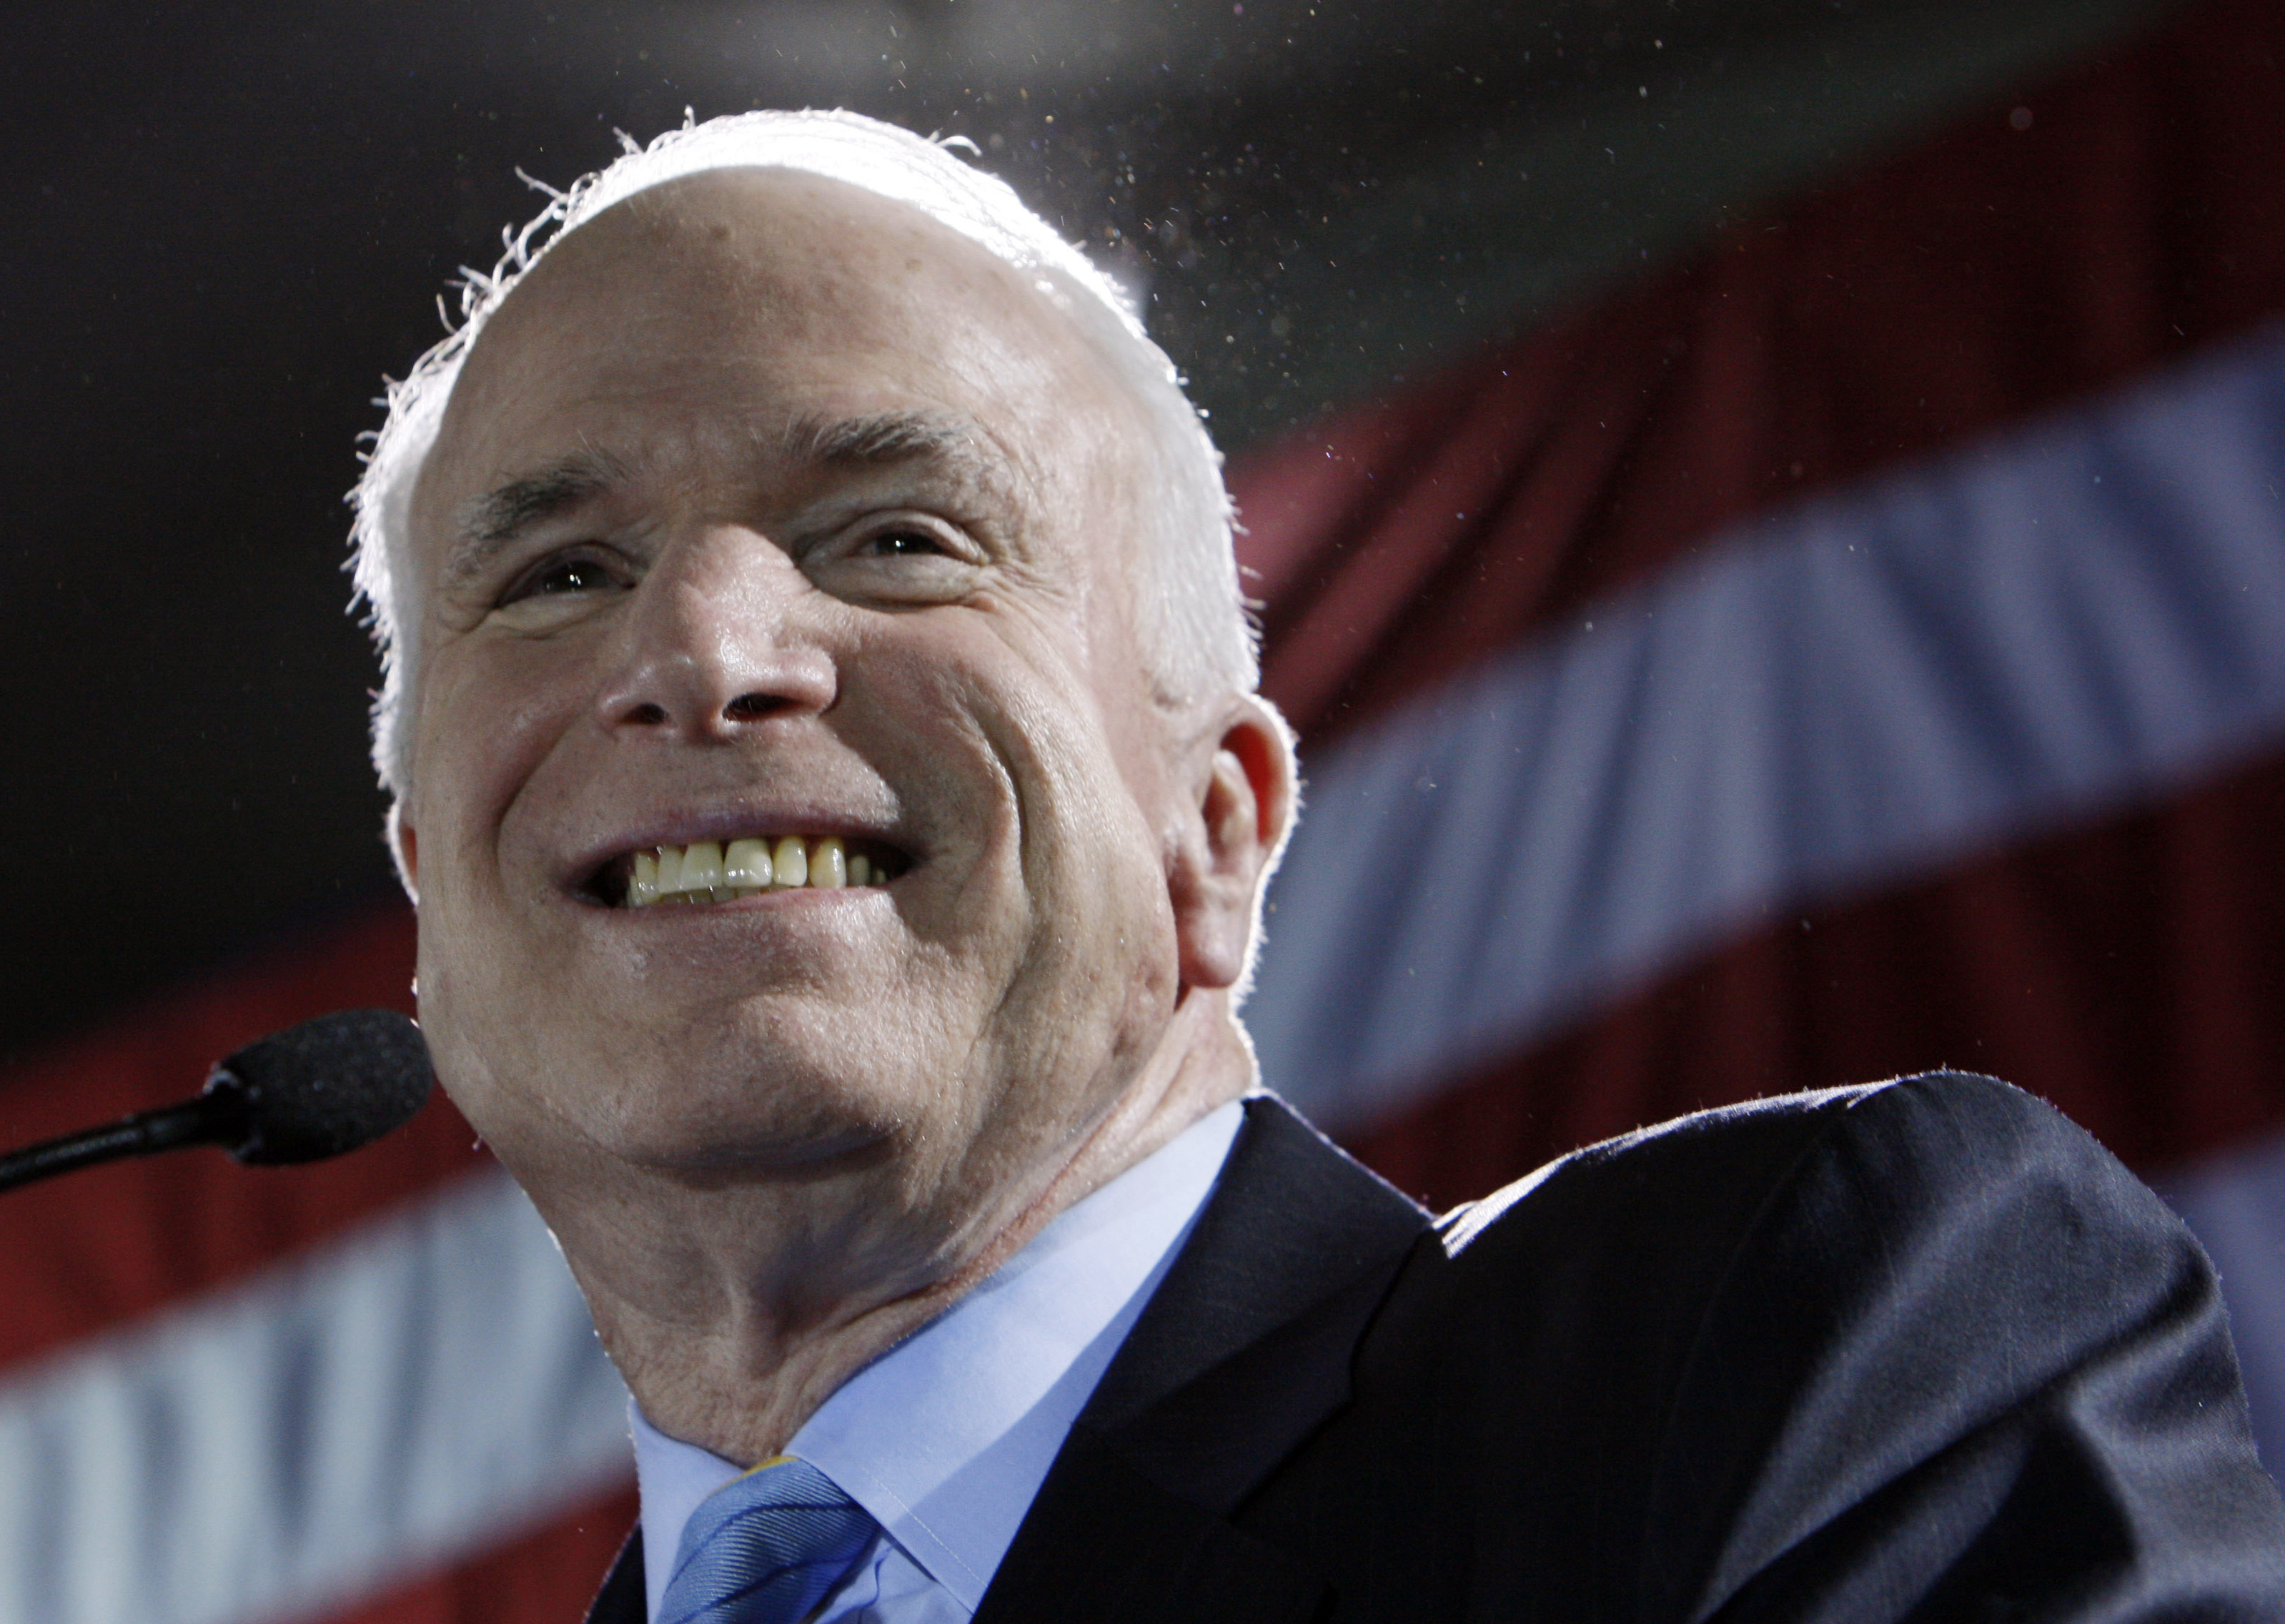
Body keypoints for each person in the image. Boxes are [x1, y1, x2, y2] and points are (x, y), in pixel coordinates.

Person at [345, 111, 2285, 1623]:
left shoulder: (1791, 1352)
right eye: (560, 575)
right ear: (435, 906)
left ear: (1216, 832)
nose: (704, 650)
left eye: (893, 535)